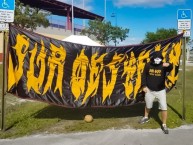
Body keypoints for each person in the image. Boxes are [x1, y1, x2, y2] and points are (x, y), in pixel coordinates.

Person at [139, 51, 173, 134]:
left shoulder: (163, 65)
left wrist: (168, 64)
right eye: (156, 58)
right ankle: (146, 117)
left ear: (161, 58)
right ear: (153, 58)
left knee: (164, 107)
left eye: (159, 58)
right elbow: (144, 76)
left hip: (161, 90)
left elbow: (171, 68)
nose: (157, 60)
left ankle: (164, 124)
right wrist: (144, 86)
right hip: (149, 90)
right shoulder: (148, 65)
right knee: (148, 105)